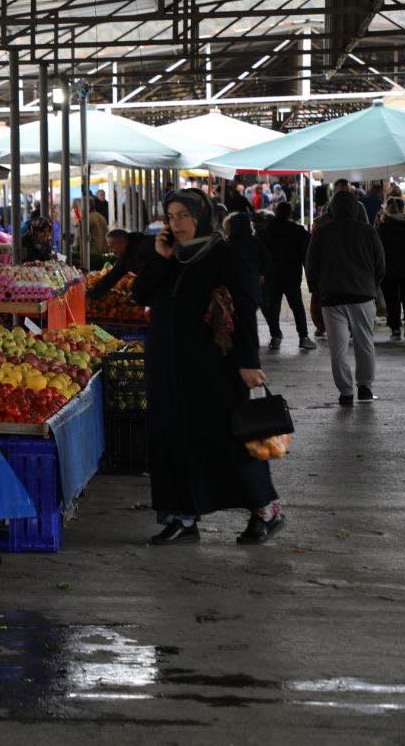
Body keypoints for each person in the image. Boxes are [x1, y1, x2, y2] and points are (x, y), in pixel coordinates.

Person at [132, 189, 282, 546]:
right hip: (168, 368)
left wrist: (248, 361)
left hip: (214, 368)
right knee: (173, 441)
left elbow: (245, 307)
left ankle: (266, 510)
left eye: (184, 214)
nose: (177, 223)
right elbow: (140, 294)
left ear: (201, 215)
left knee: (229, 439)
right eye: (171, 216)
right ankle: (183, 517)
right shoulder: (172, 258)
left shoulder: (224, 255)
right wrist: (161, 258)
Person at [305, 191, 385, 405]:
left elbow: (311, 265)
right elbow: (380, 264)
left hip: (332, 297)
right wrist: (372, 285)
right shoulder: (368, 231)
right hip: (363, 295)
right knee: (365, 342)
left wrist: (316, 289)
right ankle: (365, 388)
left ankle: (346, 392)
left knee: (338, 347)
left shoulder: (322, 233)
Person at [260, 202, 315, 350]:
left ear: (276, 212)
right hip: (292, 275)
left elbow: (260, 253)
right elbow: (306, 254)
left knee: (273, 306)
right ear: (290, 214)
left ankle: (275, 336)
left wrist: (261, 272)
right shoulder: (298, 231)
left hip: (271, 274)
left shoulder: (266, 230)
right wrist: (310, 275)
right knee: (297, 306)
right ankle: (303, 337)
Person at [375, 196, 405, 341]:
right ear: (403, 208)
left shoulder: (383, 226)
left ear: (387, 210)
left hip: (389, 270)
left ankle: (395, 329)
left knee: (392, 300)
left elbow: (378, 250)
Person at [89, 229, 155, 298]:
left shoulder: (145, 245)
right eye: (109, 247)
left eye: (112, 246)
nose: (111, 251)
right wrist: (93, 294)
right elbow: (112, 277)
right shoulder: (124, 256)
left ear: (122, 243)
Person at [221, 212, 269, 307]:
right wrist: (261, 273)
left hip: (232, 291)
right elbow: (267, 259)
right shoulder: (256, 242)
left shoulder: (227, 245)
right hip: (252, 289)